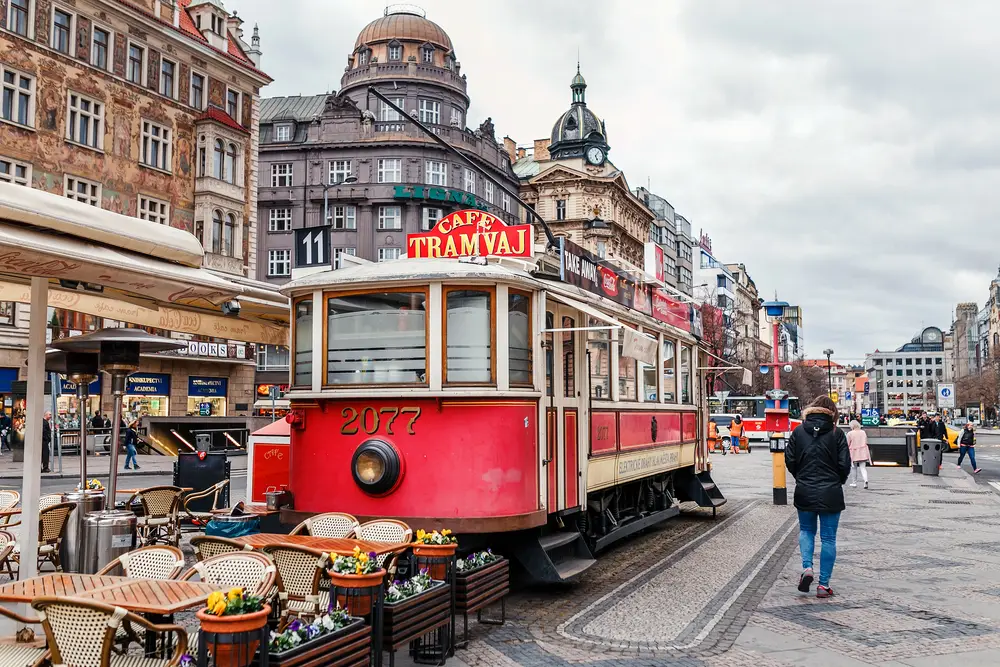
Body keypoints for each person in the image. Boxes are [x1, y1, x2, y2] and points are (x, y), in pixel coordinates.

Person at [785, 395, 850, 599]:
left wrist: (801, 477)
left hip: (804, 489)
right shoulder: (836, 433)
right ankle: (823, 585)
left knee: (806, 531)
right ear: (832, 413)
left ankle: (807, 568)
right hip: (830, 492)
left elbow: (790, 460)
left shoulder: (798, 431)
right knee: (829, 538)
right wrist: (836, 481)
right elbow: (844, 464)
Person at [846, 420, 871, 489]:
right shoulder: (863, 432)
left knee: (854, 468)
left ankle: (854, 483)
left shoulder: (850, 433)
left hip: (854, 452)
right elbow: (866, 441)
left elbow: (847, 443)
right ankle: (866, 480)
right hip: (863, 451)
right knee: (863, 468)